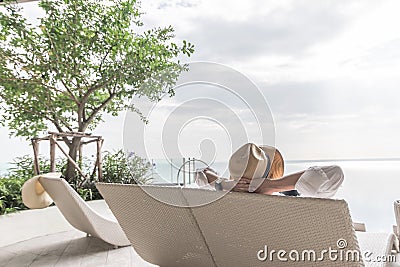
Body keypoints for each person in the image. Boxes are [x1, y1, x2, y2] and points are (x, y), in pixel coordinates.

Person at [199, 143, 344, 198]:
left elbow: (201, 174)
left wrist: (226, 185)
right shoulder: (283, 206)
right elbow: (334, 173)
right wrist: (270, 185)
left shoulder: (226, 198)